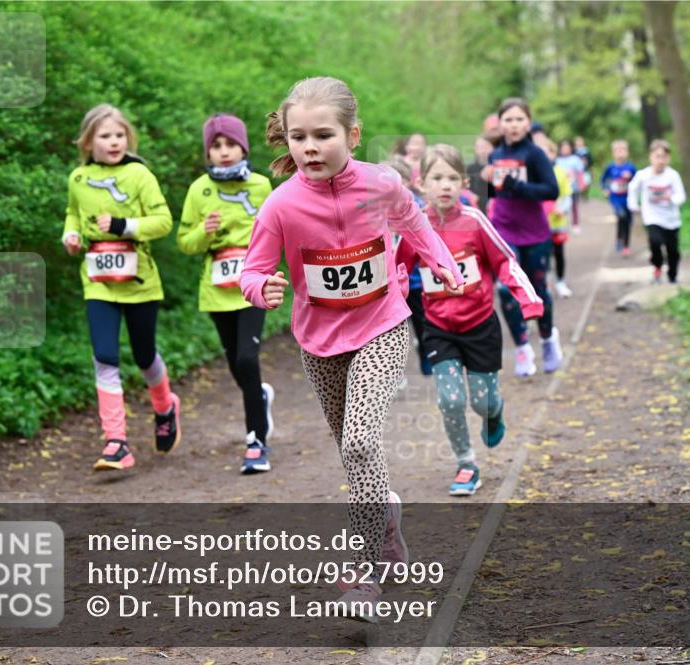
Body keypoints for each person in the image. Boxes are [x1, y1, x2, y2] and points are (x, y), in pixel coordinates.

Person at [239, 77, 463, 619]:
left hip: (383, 325)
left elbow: (413, 222)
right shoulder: (282, 205)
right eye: (298, 137)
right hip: (318, 343)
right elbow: (253, 269)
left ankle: (363, 574)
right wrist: (261, 288)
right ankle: (387, 525)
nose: (309, 147)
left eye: (322, 135)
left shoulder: (381, 184)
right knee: (354, 451)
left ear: (353, 135)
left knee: (361, 442)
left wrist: (441, 263)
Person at [397, 145, 543, 495]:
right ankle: (466, 464)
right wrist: (390, 301)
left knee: (483, 402)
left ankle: (495, 412)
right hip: (438, 329)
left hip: (479, 325)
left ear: (464, 183)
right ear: (421, 185)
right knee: (449, 400)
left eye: (452, 178)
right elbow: (395, 266)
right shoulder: (415, 227)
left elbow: (506, 261)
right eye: (437, 178)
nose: (444, 186)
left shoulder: (475, 222)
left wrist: (529, 300)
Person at [62, 103, 180, 472]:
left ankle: (165, 407)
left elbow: (162, 221)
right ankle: (116, 442)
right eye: (105, 136)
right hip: (98, 282)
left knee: (144, 356)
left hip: (140, 280)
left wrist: (122, 226)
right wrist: (71, 233)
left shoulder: (138, 174)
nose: (113, 142)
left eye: (119, 135)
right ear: (88, 141)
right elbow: (72, 212)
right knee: (105, 356)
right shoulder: (78, 178)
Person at [177, 114, 276, 473]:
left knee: (249, 360)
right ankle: (260, 398)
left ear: (243, 147)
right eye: (216, 146)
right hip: (217, 289)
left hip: (253, 285)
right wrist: (204, 232)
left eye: (230, 144)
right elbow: (185, 243)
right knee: (237, 364)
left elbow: (279, 230)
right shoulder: (198, 189)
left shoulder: (262, 186)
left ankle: (256, 441)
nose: (223, 152)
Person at [482, 97, 562, 377]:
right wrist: (488, 184)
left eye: (519, 119)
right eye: (508, 119)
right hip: (504, 230)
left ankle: (548, 338)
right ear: (500, 123)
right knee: (506, 290)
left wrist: (520, 186)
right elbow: (496, 193)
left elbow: (551, 191)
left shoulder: (535, 154)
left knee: (538, 291)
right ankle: (523, 348)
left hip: (535, 233)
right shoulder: (494, 156)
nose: (514, 125)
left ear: (528, 122)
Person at [383, 155, 431, 377]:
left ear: (406, 183)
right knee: (390, 329)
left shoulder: (417, 206)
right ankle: (393, 370)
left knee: (422, 323)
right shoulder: (373, 210)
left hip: (414, 279)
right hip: (387, 282)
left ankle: (426, 353)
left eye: (396, 181)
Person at [627, 139, 687, 284]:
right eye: (657, 156)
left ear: (668, 158)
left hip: (671, 219)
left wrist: (671, 198)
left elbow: (681, 196)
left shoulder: (673, 175)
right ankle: (657, 267)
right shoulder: (643, 175)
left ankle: (672, 276)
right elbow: (632, 189)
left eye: (664, 157)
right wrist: (634, 205)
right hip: (652, 217)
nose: (661, 160)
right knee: (655, 242)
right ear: (651, 157)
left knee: (673, 251)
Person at [536, 138, 575, 298]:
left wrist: (562, 208)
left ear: (553, 154)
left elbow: (567, 195)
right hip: (539, 224)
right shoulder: (534, 173)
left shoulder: (561, 172)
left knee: (558, 254)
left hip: (557, 222)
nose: (545, 156)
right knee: (541, 256)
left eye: (548, 152)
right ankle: (544, 284)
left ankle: (561, 282)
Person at [600, 139, 637, 257]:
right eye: (618, 150)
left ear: (627, 152)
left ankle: (624, 243)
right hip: (615, 199)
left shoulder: (631, 167)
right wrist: (605, 189)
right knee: (621, 216)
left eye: (623, 150)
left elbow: (637, 182)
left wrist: (630, 178)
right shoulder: (610, 167)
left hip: (628, 199)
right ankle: (622, 242)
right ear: (613, 153)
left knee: (627, 221)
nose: (620, 153)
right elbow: (603, 180)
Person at [555, 138, 586, 235]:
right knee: (561, 207)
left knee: (574, 206)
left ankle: (575, 224)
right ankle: (561, 225)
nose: (565, 150)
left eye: (567, 148)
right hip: (561, 189)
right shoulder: (557, 160)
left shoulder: (575, 159)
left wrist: (582, 184)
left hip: (573, 187)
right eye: (563, 148)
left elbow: (580, 173)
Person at [465, 134, 495, 213]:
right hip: (477, 208)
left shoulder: (500, 166)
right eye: (479, 147)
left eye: (486, 147)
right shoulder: (470, 169)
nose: (482, 151)